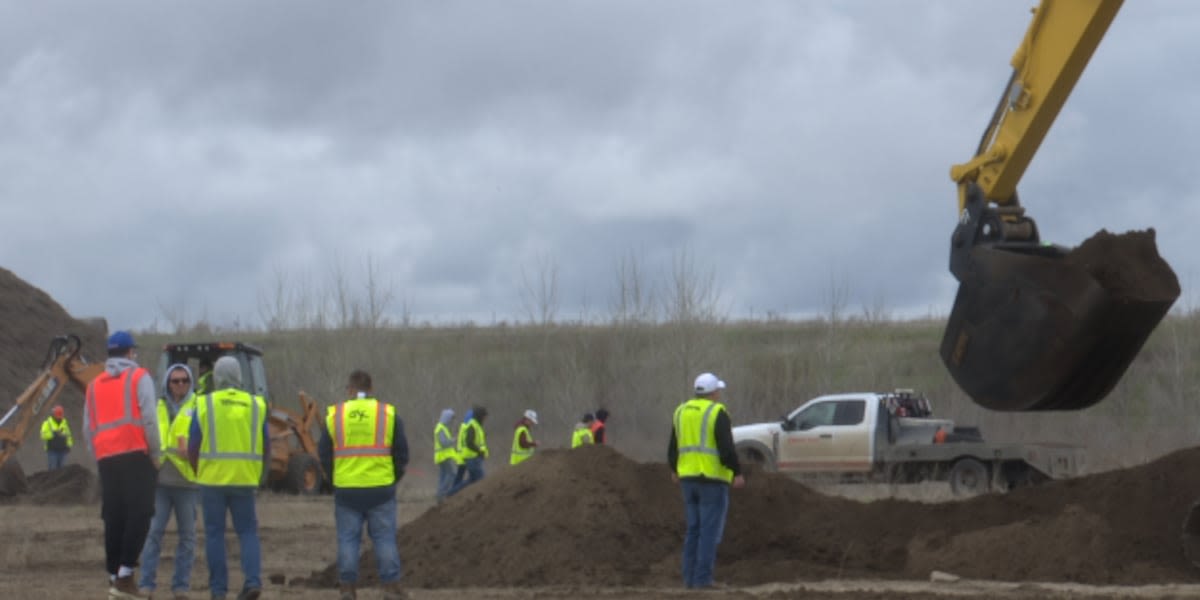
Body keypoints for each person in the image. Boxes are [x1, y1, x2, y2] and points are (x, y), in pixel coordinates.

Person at [318, 370, 410, 600]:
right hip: (381, 488)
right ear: (371, 388)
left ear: (350, 389)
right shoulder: (388, 413)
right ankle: (390, 587)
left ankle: (347, 588)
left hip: (347, 489)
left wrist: (335, 480)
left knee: (348, 539)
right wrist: (391, 478)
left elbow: (324, 454)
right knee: (384, 538)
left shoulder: (335, 414)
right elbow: (402, 454)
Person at [83, 330, 161, 600]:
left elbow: (87, 428)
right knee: (140, 514)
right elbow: (149, 418)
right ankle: (126, 575)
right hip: (136, 455)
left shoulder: (94, 386)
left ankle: (114, 577)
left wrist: (100, 456)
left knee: (114, 517)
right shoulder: (139, 377)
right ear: (130, 353)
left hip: (107, 459)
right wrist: (155, 454)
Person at [187, 356, 268, 600]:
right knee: (248, 532)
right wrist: (260, 475)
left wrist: (198, 471)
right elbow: (267, 447)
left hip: (212, 480)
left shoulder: (204, 404)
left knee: (214, 535)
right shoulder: (257, 404)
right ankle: (252, 581)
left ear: (216, 377)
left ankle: (218, 591)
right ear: (240, 377)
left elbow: (193, 445)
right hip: (245, 479)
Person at [667, 372, 745, 590]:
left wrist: (674, 468)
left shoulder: (680, 411)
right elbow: (726, 447)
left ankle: (689, 580)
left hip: (687, 480)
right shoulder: (716, 412)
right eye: (718, 390)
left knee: (693, 530)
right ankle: (703, 580)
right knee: (709, 532)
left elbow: (673, 445)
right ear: (713, 393)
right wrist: (737, 472)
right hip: (711, 479)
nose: (719, 393)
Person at [138, 363, 199, 600]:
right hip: (161, 482)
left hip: (187, 482)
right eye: (175, 381)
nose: (180, 385)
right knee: (153, 534)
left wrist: (193, 452)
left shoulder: (198, 406)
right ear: (167, 383)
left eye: (184, 380)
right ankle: (146, 585)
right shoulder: (158, 406)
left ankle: (181, 587)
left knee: (187, 538)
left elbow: (208, 440)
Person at [446, 406, 487, 497]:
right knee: (481, 480)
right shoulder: (470, 426)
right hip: (469, 457)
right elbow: (468, 442)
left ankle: (451, 494)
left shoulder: (469, 426)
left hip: (467, 456)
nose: (485, 419)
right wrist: (480, 451)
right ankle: (451, 494)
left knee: (469, 480)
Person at [433, 408, 458, 503]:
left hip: (442, 456)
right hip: (444, 456)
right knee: (452, 474)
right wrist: (453, 440)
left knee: (443, 476)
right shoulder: (441, 428)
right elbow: (444, 443)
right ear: (447, 418)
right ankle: (441, 494)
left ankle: (440, 497)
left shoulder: (442, 427)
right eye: (451, 418)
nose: (452, 421)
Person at [40, 405, 73, 470]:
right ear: (53, 415)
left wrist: (69, 445)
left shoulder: (64, 423)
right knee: (53, 470)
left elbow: (68, 436)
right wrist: (52, 434)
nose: (59, 418)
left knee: (62, 471)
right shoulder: (47, 423)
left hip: (63, 451)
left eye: (60, 416)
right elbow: (43, 435)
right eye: (57, 416)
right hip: (52, 451)